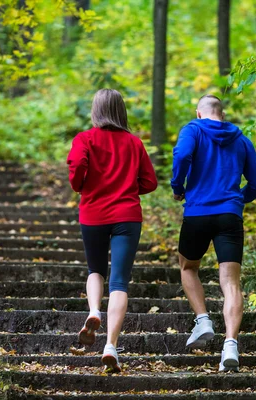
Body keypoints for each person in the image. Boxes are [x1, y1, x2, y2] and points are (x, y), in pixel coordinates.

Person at [170, 94, 256, 372]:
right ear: (221, 114)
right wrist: (236, 199)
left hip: (198, 212)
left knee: (188, 267)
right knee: (231, 282)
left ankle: (203, 320)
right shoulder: (241, 139)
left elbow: (183, 154)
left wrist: (178, 186)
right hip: (229, 216)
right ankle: (231, 345)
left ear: (199, 113)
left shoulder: (193, 129)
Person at [67, 89, 158, 373]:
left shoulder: (84, 139)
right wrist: (130, 190)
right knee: (119, 282)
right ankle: (110, 346)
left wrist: (82, 184)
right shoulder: (134, 142)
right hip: (127, 215)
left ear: (96, 110)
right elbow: (151, 182)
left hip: (93, 213)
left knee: (95, 270)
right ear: (121, 111)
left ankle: (94, 310)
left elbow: (77, 166)